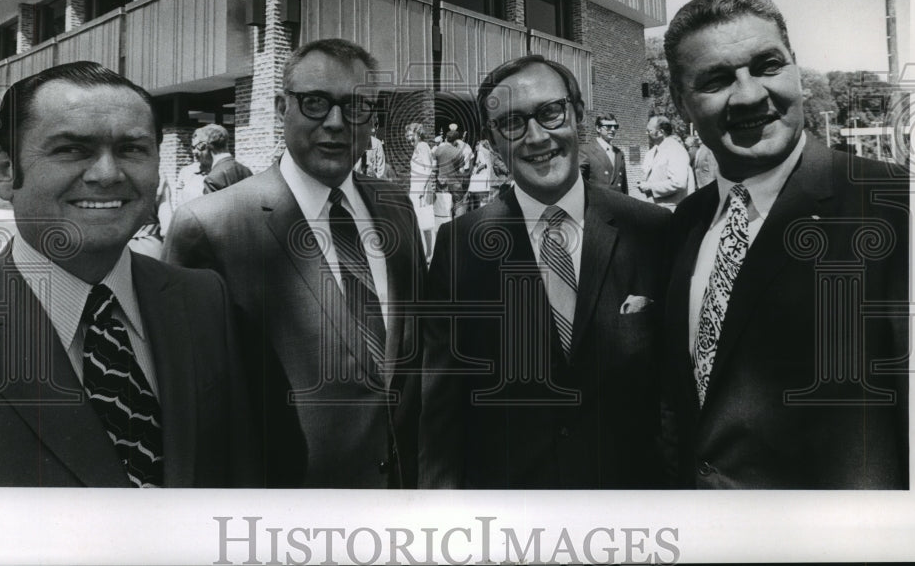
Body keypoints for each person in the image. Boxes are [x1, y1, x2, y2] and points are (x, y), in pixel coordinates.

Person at [0, 62, 260, 487]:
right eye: (71, 149)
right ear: (5, 171)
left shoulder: (205, 299)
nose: (107, 174)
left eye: (132, 149)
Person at [663, 0, 908, 488]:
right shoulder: (681, 225)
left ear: (795, 67)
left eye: (767, 65)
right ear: (680, 101)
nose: (749, 94)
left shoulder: (895, 207)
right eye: (716, 79)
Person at [163, 38, 425, 488]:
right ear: (282, 106)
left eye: (357, 106)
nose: (337, 123)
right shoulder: (209, 228)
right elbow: (192, 410)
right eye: (316, 103)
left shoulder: (396, 207)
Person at [420, 55, 670, 489]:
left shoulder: (652, 232)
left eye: (550, 112)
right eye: (512, 123)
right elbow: (443, 409)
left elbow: (675, 397)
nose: (537, 137)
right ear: (494, 143)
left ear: (578, 116)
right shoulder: (459, 247)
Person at [638, 115, 691, 209]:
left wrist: (650, 187)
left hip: (670, 208)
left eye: (649, 131)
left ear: (660, 132)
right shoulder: (652, 152)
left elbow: (679, 183)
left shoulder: (675, 150)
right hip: (654, 207)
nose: (646, 134)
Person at [192, 123, 253, 194]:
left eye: (196, 147)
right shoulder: (246, 171)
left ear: (203, 146)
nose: (194, 152)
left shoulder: (213, 179)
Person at [405, 122, 436, 259]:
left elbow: (428, 168)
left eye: (411, 135)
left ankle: (428, 253)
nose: (409, 138)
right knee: (421, 221)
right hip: (417, 188)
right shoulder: (419, 147)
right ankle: (427, 253)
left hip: (420, 189)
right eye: (407, 136)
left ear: (418, 134)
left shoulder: (422, 146)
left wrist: (422, 190)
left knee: (424, 221)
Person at [579, 112, 629, 193]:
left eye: (615, 126)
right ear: (598, 128)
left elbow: (624, 186)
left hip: (619, 202)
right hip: (597, 203)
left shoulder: (619, 153)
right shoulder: (586, 150)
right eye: (608, 126)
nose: (612, 129)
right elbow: (578, 183)